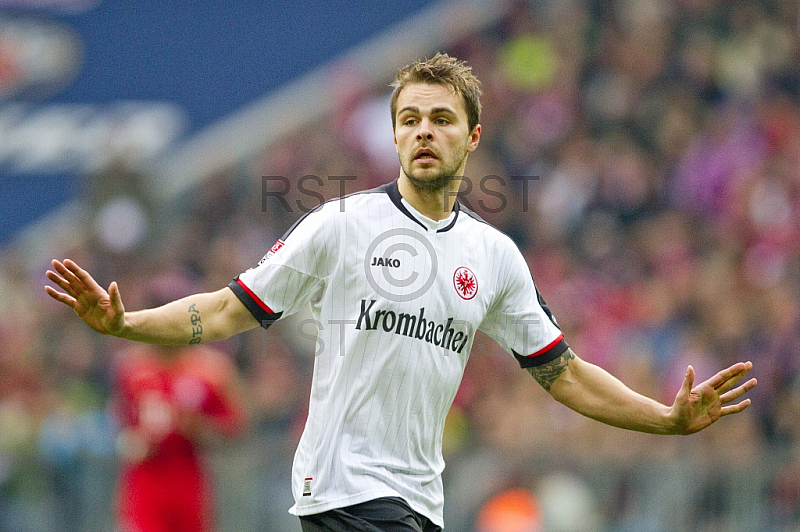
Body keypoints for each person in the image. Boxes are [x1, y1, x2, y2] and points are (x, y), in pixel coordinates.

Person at [45, 53, 756, 532]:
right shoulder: (342, 225)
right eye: (409, 119)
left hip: (420, 501)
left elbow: (563, 374)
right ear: (392, 135)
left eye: (441, 119)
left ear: (472, 136)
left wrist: (663, 419)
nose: (424, 131)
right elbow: (230, 307)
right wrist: (125, 323)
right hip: (346, 493)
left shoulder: (496, 259)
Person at [112, 342, 247, 532]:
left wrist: (199, 428)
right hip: (145, 482)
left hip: (188, 480)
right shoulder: (132, 367)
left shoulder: (211, 369)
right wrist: (135, 442)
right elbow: (121, 424)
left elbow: (234, 426)